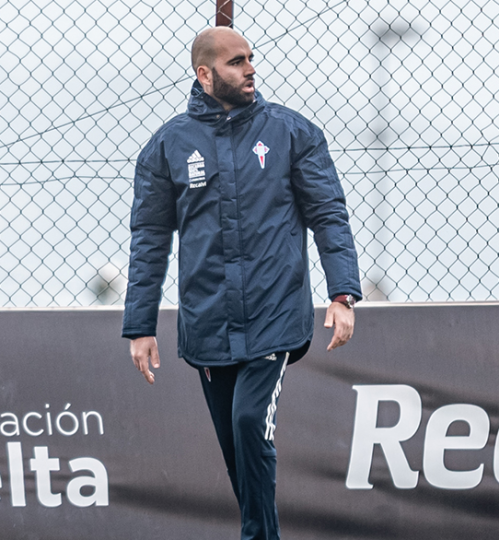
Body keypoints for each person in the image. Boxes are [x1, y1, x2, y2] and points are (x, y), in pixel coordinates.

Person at [121, 26, 362, 540]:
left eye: (251, 58)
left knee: (251, 424)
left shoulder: (293, 133)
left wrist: (343, 294)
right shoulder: (167, 146)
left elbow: (329, 216)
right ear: (204, 73)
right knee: (237, 449)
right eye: (235, 62)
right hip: (207, 325)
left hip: (275, 319)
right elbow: (149, 239)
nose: (250, 68)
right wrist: (140, 326)